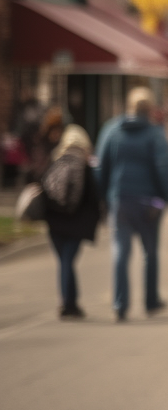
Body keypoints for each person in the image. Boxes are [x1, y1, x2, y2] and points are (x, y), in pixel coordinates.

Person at [95, 87, 168, 321]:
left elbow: (101, 167)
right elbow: (163, 168)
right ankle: (150, 301)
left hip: (119, 199)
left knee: (120, 252)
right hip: (149, 203)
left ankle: (120, 303)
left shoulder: (112, 130)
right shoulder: (154, 134)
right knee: (150, 253)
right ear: (150, 109)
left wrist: (104, 197)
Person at [41, 124, 101, 319]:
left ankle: (70, 303)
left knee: (64, 262)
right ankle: (68, 305)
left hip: (55, 223)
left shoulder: (55, 160)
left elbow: (42, 189)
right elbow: (93, 197)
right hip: (76, 224)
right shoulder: (85, 164)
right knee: (68, 262)